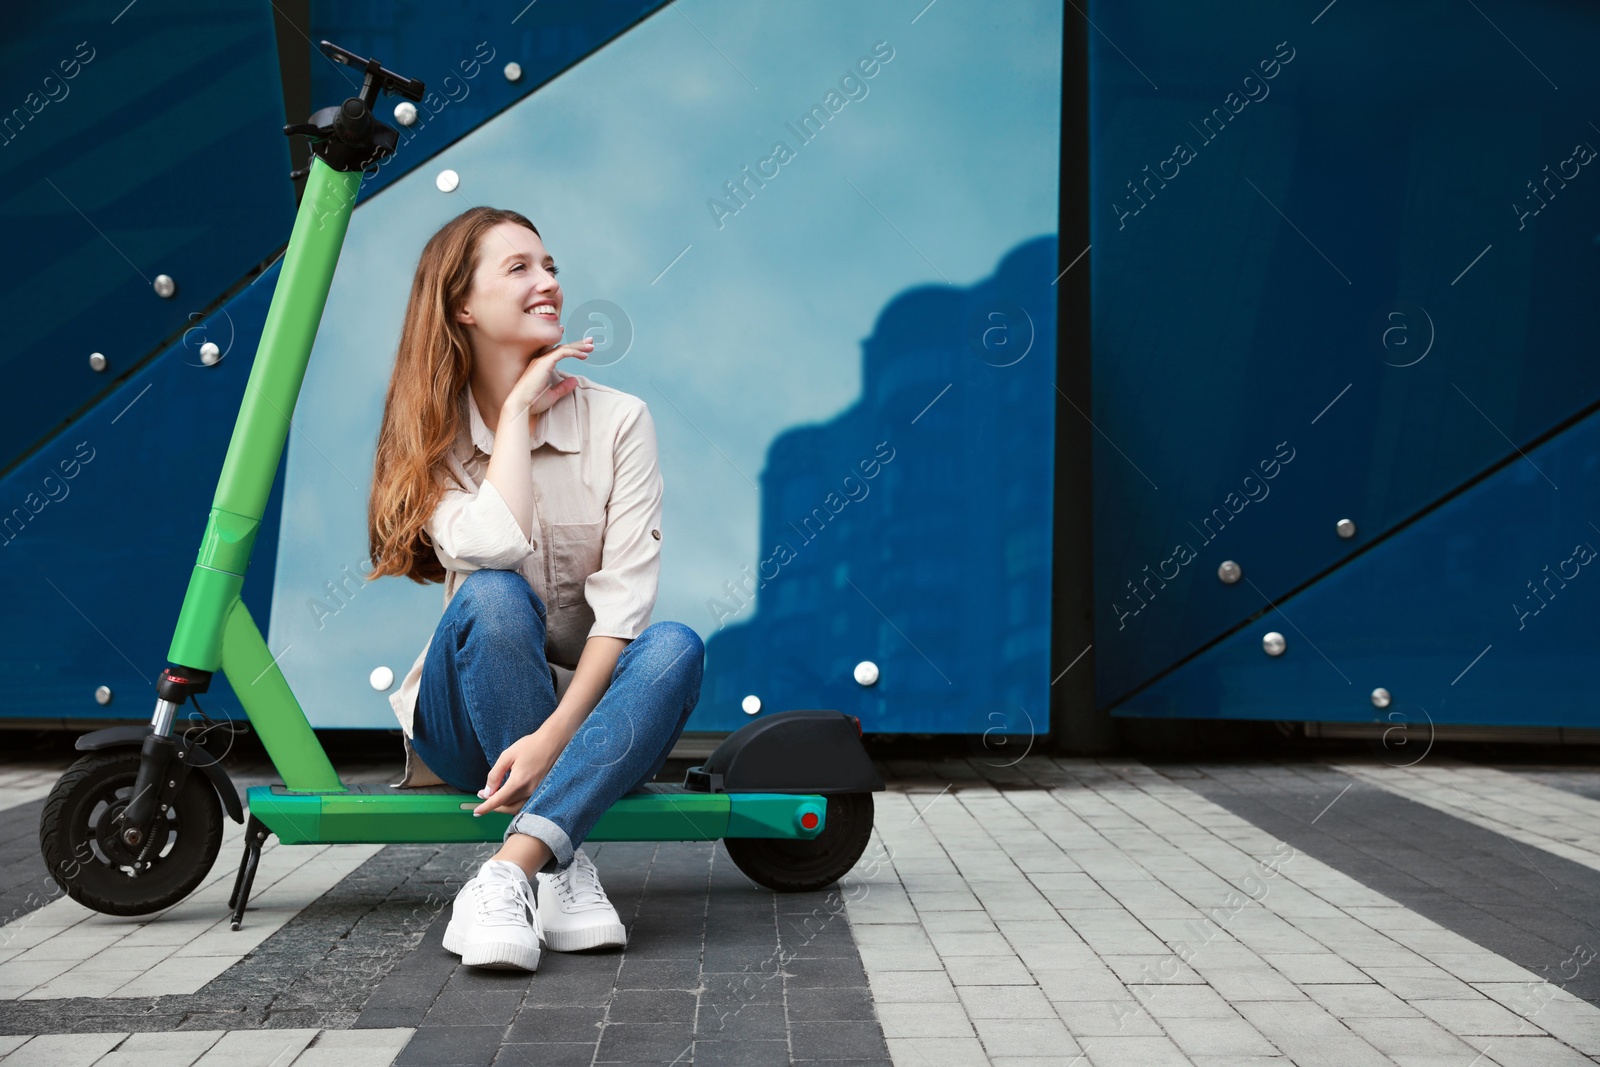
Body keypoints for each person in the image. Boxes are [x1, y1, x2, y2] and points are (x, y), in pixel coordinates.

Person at [365, 206, 705, 971]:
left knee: (675, 645)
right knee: (490, 594)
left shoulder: (621, 421)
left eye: (550, 265)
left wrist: (553, 738)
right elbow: (492, 545)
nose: (547, 281)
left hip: (582, 725)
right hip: (465, 729)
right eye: (519, 268)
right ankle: (563, 854)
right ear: (461, 305)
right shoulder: (429, 438)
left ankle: (518, 869)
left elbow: (623, 609)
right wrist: (517, 412)